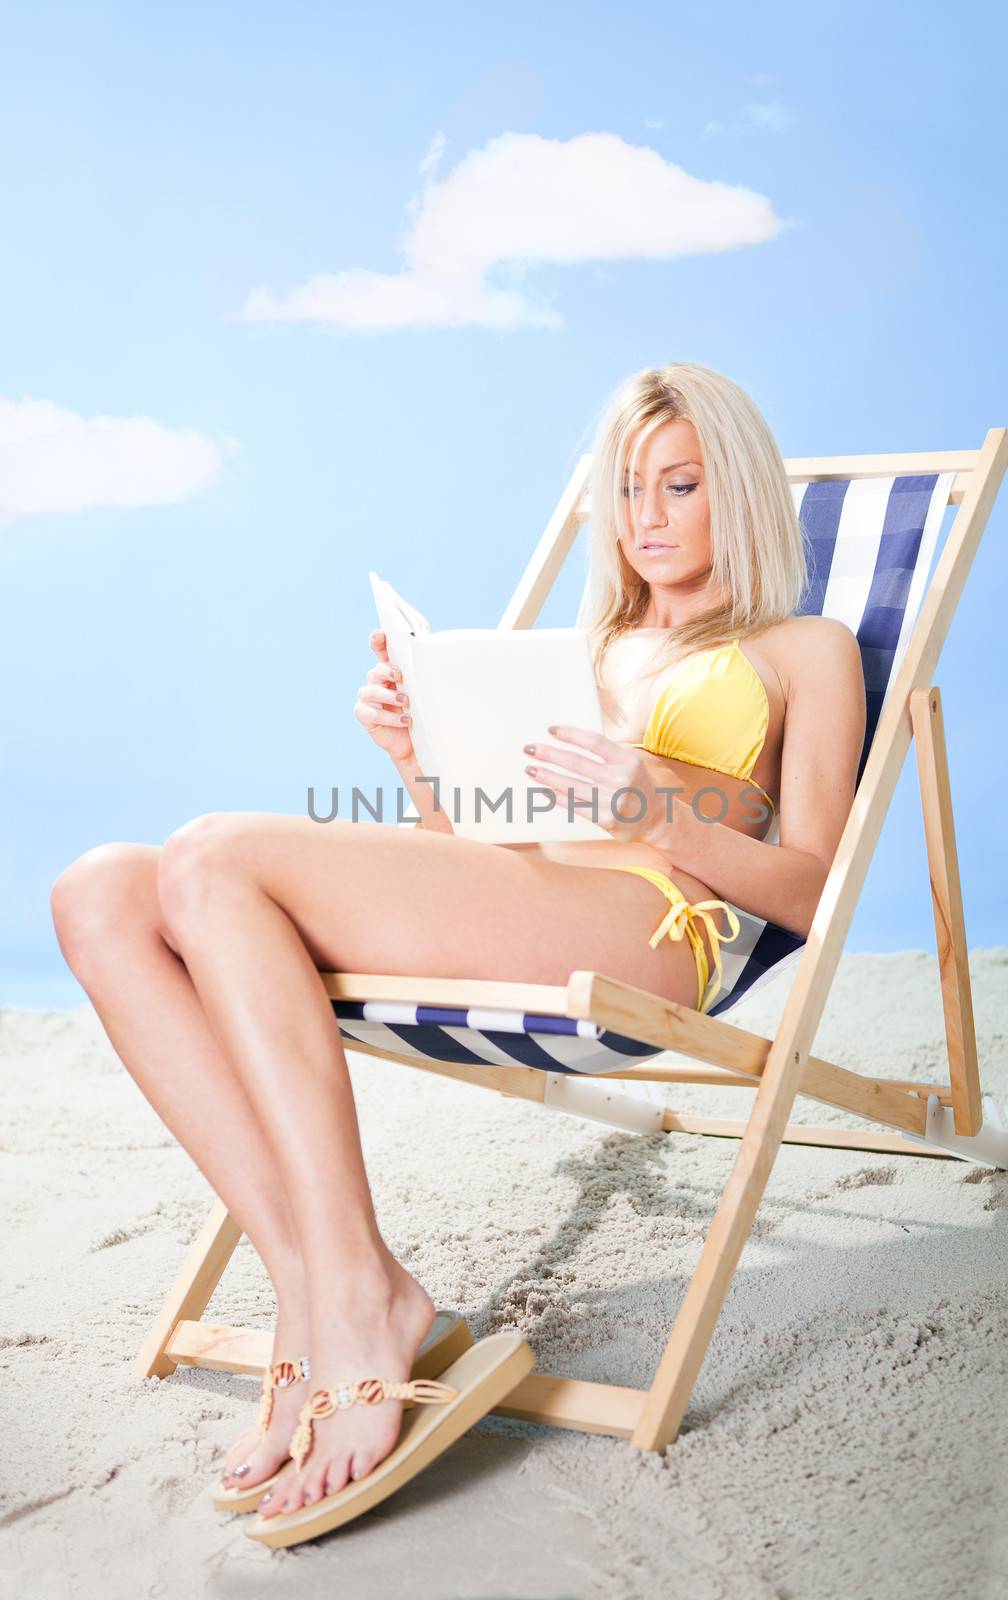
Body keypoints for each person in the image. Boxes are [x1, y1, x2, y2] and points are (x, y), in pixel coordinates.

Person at [49, 361, 866, 1521]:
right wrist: (413, 757)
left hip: (648, 924)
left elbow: (811, 885)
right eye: (628, 489)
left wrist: (656, 807)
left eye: (679, 486)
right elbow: (478, 845)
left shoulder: (802, 646)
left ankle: (351, 1294)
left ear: (731, 487)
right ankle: (318, 1282)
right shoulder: (584, 644)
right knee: (102, 892)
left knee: (213, 855)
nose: (647, 518)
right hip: (526, 896)